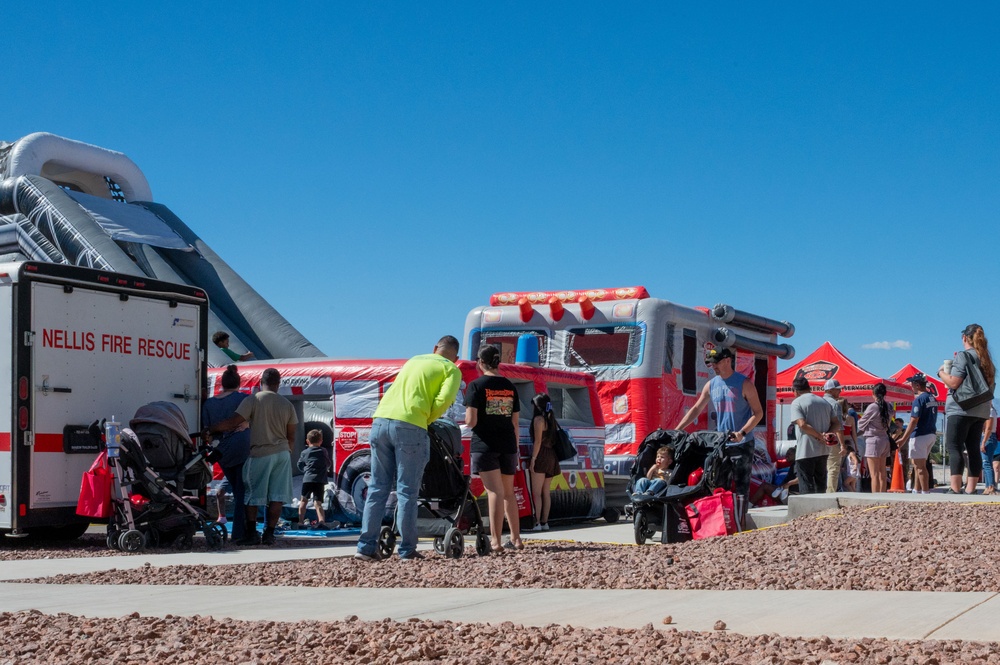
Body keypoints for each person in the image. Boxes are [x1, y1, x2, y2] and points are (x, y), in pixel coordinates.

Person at [355, 336, 462, 561]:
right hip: (410, 426)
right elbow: (443, 400)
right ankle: (407, 550)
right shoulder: (451, 370)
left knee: (377, 488)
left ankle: (365, 547)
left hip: (380, 420)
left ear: (434, 348)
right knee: (407, 491)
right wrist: (426, 419)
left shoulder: (414, 360)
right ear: (456, 358)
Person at [209, 367, 296, 546]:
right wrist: (287, 451)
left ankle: (251, 534)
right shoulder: (287, 404)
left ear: (260, 382)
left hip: (260, 453)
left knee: (252, 495)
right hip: (282, 454)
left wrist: (211, 429)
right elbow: (292, 435)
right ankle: (269, 534)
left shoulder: (253, 400)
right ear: (278, 384)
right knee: (276, 497)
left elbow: (234, 421)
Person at [674, 347, 763, 516]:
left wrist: (742, 433)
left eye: (716, 362)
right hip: (722, 442)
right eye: (711, 363)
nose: (713, 366)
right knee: (720, 484)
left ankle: (741, 520)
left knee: (741, 484)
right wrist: (678, 429)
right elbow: (696, 408)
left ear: (728, 360)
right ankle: (724, 520)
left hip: (742, 443)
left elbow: (758, 413)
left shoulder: (744, 383)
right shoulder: (711, 384)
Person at [465, 344, 523, 552]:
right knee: (508, 492)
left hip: (485, 445)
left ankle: (496, 542)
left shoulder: (476, 386)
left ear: (481, 363)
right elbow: (515, 422)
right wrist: (515, 448)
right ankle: (516, 539)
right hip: (508, 445)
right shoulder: (510, 386)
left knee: (494, 492)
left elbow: (471, 421)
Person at [938, 323, 995, 495]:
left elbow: (954, 382)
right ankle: (970, 489)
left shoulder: (963, 356)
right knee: (972, 448)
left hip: (961, 408)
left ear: (964, 338)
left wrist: (941, 373)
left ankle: (955, 488)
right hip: (981, 409)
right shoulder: (987, 359)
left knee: (954, 446)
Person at [201, 365, 251, 542]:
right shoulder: (244, 399)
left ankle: (240, 531)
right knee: (242, 491)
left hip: (221, 451)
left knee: (235, 485)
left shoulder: (209, 404)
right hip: (242, 447)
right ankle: (240, 533)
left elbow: (206, 430)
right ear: (239, 383)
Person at [789, 376, 842, 494]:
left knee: (806, 486)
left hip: (805, 450)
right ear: (809, 388)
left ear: (795, 391)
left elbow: (802, 424)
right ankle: (821, 511)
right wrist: (827, 434)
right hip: (823, 451)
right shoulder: (824, 402)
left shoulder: (797, 402)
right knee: (821, 485)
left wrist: (819, 436)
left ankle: (808, 511)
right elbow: (836, 423)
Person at [895, 374, 938, 495]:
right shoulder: (932, 398)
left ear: (917, 385)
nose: (911, 386)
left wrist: (903, 438)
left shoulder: (918, 400)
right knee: (918, 464)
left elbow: (914, 420)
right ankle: (917, 489)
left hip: (920, 435)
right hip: (931, 433)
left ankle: (925, 492)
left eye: (912, 384)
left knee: (920, 466)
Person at [528, 393, 560, 532]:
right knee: (546, 492)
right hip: (552, 456)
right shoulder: (551, 418)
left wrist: (533, 460)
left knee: (536, 493)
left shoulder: (538, 420)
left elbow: (538, 442)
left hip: (541, 455)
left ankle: (536, 523)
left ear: (536, 406)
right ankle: (545, 522)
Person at [858, 383, 894, 493]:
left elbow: (860, 424)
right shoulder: (889, 406)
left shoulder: (873, 406)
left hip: (873, 440)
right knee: (882, 472)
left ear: (873, 393)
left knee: (874, 474)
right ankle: (883, 495)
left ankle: (875, 497)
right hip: (884, 439)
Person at [297, 429, 332, 528]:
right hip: (319, 480)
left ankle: (300, 521)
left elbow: (299, 464)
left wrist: (305, 470)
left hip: (307, 479)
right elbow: (328, 462)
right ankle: (321, 521)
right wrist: (326, 468)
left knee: (303, 500)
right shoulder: (323, 451)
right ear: (321, 441)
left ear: (307, 441)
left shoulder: (304, 452)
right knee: (318, 503)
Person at [821, 380, 848, 492]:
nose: (840, 391)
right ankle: (830, 495)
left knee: (821, 469)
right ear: (830, 390)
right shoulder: (834, 404)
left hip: (818, 439)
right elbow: (839, 427)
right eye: (838, 389)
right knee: (833, 469)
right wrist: (842, 445)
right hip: (832, 441)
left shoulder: (818, 402)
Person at [980, 404, 998, 495]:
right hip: (989, 438)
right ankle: (988, 486)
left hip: (988, 438)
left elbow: (989, 428)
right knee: (986, 463)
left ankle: (991, 486)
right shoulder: (991, 410)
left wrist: (983, 442)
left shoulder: (989, 411)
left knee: (987, 463)